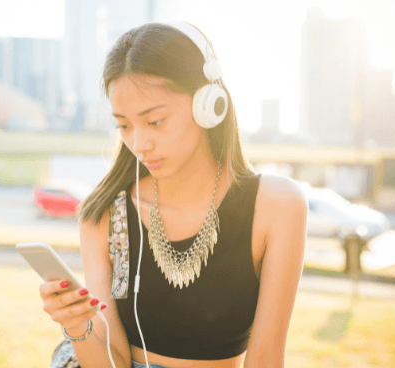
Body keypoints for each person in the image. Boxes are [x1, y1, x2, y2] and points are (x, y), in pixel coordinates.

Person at [39, 21, 307, 368]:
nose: (139, 143)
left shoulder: (276, 206)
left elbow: (267, 359)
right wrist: (77, 325)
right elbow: (112, 362)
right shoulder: (106, 213)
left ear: (208, 106)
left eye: (155, 121)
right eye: (124, 125)